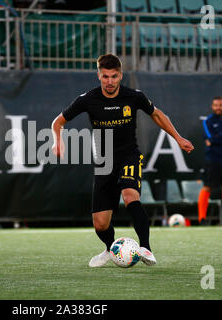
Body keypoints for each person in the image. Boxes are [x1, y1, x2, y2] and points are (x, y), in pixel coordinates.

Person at [51, 54, 194, 267]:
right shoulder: (88, 99)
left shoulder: (133, 96)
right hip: (104, 162)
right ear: (98, 75)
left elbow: (157, 115)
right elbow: (58, 122)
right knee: (100, 224)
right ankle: (110, 249)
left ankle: (145, 248)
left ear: (120, 75)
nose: (109, 81)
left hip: (129, 156)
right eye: (105, 76)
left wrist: (178, 137)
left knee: (130, 196)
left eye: (114, 76)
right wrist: (57, 142)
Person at [198, 96, 222, 226]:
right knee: (207, 187)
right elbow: (210, 139)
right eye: (216, 105)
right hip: (213, 160)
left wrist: (219, 136)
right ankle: (202, 218)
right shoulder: (207, 121)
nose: (218, 107)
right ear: (212, 107)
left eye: (220, 105)